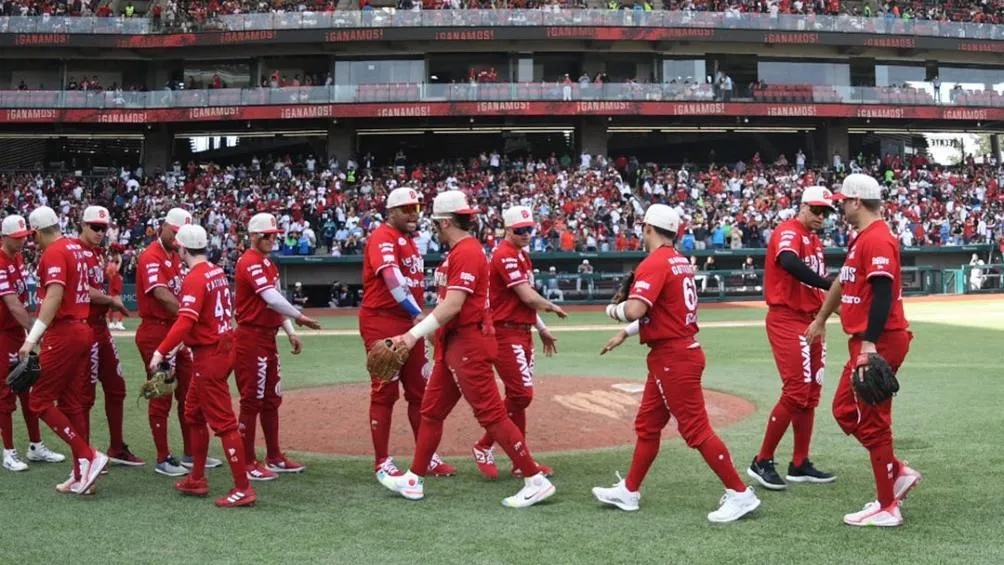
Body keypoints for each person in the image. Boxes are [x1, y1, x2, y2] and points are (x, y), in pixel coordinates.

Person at [376, 191, 556, 508]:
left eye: (435, 222)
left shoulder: (468, 252)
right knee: (431, 412)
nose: (432, 227)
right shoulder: (461, 252)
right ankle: (414, 479)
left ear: (445, 221)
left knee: (491, 414)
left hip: (468, 341)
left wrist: (411, 336)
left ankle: (534, 479)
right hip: (454, 342)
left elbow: (453, 306)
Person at [592, 204, 761, 523]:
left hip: (674, 356)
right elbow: (664, 312)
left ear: (647, 229)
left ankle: (740, 493)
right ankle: (629, 490)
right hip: (673, 351)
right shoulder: (679, 261)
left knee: (696, 429)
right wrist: (626, 334)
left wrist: (611, 312)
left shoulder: (655, 262)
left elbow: (635, 310)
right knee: (648, 425)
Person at [806, 174, 921, 527]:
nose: (839, 205)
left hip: (879, 339)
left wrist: (869, 344)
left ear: (857, 201)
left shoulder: (878, 239)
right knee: (845, 409)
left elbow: (884, 292)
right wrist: (822, 317)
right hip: (868, 339)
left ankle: (888, 505)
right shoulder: (864, 239)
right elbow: (843, 281)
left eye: (843, 200)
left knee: (872, 422)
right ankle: (896, 471)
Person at [150, 224, 256, 508]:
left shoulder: (195, 277)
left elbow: (185, 320)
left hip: (210, 355)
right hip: (220, 346)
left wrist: (161, 351)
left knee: (223, 423)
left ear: (183, 248)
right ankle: (197, 478)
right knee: (193, 413)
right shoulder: (216, 271)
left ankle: (243, 488)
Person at [360, 188, 456, 477]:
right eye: (406, 209)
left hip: (409, 321)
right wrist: (418, 315)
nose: (413, 214)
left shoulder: (409, 241)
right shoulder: (383, 237)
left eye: (416, 208)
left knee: (420, 392)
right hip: (383, 320)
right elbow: (390, 278)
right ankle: (382, 462)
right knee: (384, 393)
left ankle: (426, 456)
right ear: (391, 212)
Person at [748, 187, 836, 491]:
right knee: (796, 390)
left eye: (825, 212)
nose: (821, 217)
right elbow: (787, 261)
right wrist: (826, 282)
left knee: (810, 394)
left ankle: (800, 463)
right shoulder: (789, 231)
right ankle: (762, 460)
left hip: (812, 319)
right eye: (816, 210)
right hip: (787, 318)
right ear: (802, 207)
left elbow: (812, 282)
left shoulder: (814, 240)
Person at [471, 206, 566, 480]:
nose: (526, 234)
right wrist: (551, 307)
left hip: (523, 331)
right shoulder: (504, 255)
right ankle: (484, 446)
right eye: (520, 230)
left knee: (518, 398)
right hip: (505, 332)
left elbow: (525, 301)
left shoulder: (522, 256)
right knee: (522, 395)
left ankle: (519, 460)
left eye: (529, 229)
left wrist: (542, 328)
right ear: (508, 230)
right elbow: (527, 296)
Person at [20, 206, 108, 495]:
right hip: (82, 329)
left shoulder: (56, 251)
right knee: (72, 403)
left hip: (66, 331)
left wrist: (32, 338)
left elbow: (55, 296)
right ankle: (83, 472)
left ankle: (88, 456)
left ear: (35, 233)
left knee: (39, 400)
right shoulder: (73, 247)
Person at [234, 212, 321, 481]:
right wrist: (299, 316)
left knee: (271, 399)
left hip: (267, 338)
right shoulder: (249, 261)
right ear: (253, 236)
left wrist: (290, 331)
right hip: (250, 338)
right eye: (267, 236)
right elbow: (270, 298)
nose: (272, 240)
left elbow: (275, 302)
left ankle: (274, 456)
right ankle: (247, 462)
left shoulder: (268, 263)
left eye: (274, 236)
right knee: (251, 402)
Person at [135, 208, 221, 476]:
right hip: (157, 330)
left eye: (180, 234)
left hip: (176, 331)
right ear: (163, 227)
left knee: (189, 395)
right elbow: (160, 294)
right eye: (173, 232)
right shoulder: (151, 256)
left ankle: (191, 452)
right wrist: (188, 315)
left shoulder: (175, 256)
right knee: (162, 394)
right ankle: (163, 458)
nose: (176, 237)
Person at [76, 206, 144, 467]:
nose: (100, 232)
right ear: (82, 225)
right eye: (95, 227)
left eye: (103, 228)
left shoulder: (97, 253)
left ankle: (116, 447)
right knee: (85, 394)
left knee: (116, 387)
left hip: (100, 329)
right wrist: (111, 300)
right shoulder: (75, 252)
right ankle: (85, 455)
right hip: (85, 328)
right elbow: (84, 290)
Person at [0, 214, 65, 472]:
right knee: (5, 394)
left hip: (16, 333)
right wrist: (35, 331)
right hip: (4, 335)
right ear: (4, 237)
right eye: (16, 239)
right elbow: (12, 304)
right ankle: (8, 452)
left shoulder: (16, 258)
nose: (21, 243)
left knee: (27, 388)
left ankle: (36, 446)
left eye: (24, 238)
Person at [106, 253, 126, 330]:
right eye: (113, 265)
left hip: (113, 292)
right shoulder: (113, 273)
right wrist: (118, 258)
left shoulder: (114, 273)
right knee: (121, 307)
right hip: (115, 292)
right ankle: (118, 323)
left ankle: (111, 323)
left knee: (112, 308)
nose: (115, 265)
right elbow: (119, 263)